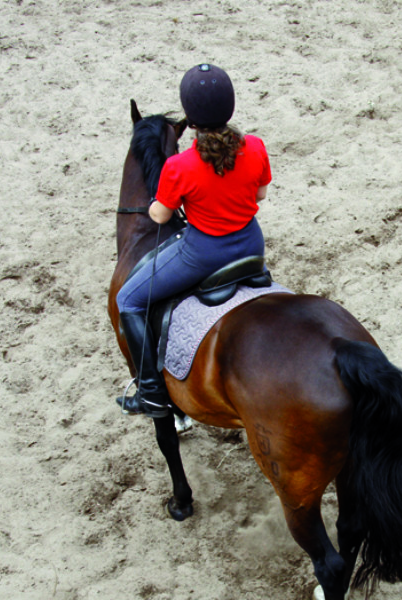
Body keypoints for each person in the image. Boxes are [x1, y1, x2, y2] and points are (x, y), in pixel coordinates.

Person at [115, 63, 271, 417]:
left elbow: (160, 216)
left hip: (203, 254)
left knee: (128, 298)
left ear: (193, 121)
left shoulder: (179, 167)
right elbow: (260, 195)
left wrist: (160, 202)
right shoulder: (257, 146)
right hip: (250, 245)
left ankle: (151, 393)